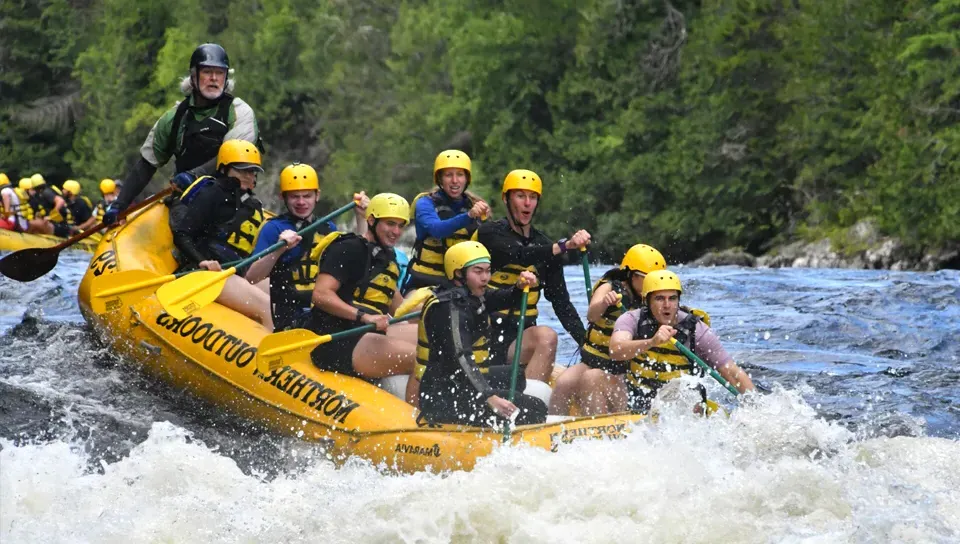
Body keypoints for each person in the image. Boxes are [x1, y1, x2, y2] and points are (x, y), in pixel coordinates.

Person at [104, 43, 259, 225]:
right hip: (186, 203)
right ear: (194, 76)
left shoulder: (241, 112)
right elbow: (146, 166)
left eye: (220, 73)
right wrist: (119, 204)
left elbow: (233, 159)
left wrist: (193, 176)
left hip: (230, 202)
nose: (214, 79)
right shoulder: (174, 117)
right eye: (207, 72)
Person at [475, 169, 591, 383]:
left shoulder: (547, 246)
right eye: (520, 196)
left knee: (547, 337)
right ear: (506, 199)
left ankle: (530, 402)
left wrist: (588, 345)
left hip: (520, 340)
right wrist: (564, 246)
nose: (527, 203)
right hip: (483, 336)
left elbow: (562, 304)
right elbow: (518, 254)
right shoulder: (489, 235)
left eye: (533, 197)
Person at [417, 241, 547, 427]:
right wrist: (489, 397)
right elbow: (460, 357)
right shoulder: (449, 308)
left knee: (516, 376)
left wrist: (519, 287)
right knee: (537, 408)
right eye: (478, 272)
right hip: (444, 396)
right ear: (458, 273)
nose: (485, 277)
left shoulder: (473, 294)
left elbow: (504, 298)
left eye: (487, 271)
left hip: (461, 383)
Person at [244, 163, 370, 331]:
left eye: (307, 196)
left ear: (317, 196)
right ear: (283, 197)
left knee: (365, 318)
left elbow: (356, 259)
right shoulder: (273, 228)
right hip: (290, 319)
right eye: (295, 197)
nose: (301, 202)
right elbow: (251, 277)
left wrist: (361, 217)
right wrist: (278, 250)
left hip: (322, 311)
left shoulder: (327, 228)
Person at [305, 193, 418, 380]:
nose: (396, 232)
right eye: (390, 224)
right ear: (371, 220)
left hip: (368, 334)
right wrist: (363, 317)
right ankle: (420, 410)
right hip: (336, 338)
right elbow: (321, 294)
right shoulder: (347, 248)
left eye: (400, 225)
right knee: (420, 358)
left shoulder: (388, 261)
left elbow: (400, 308)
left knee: (433, 339)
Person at [609, 270, 755, 413]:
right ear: (646, 300)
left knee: (681, 387)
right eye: (659, 298)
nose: (667, 305)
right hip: (639, 402)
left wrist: (757, 405)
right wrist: (651, 342)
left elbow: (730, 371)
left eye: (672, 298)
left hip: (683, 406)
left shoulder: (696, 329)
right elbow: (615, 350)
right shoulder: (631, 319)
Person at [549, 244, 667, 416]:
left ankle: (600, 426)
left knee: (592, 379)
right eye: (646, 278)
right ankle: (553, 429)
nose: (652, 284)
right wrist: (605, 302)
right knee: (564, 382)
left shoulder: (655, 299)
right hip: (594, 360)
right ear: (630, 274)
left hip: (624, 371)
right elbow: (591, 315)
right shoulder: (610, 287)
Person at [169, 139, 272, 329]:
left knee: (278, 294)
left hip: (234, 275)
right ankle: (273, 356)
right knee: (266, 306)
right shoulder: (212, 193)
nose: (248, 176)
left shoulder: (251, 205)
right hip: (207, 275)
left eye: (252, 171)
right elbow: (182, 234)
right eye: (242, 170)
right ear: (225, 169)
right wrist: (202, 261)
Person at [404, 150, 490, 293]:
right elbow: (437, 230)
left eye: (460, 175)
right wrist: (469, 216)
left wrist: (485, 222)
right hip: (425, 284)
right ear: (440, 179)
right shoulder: (425, 203)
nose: (455, 180)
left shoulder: (475, 206)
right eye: (449, 175)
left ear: (466, 179)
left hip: (461, 286)